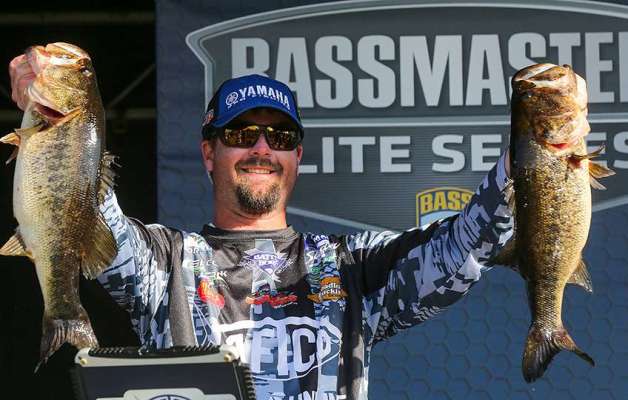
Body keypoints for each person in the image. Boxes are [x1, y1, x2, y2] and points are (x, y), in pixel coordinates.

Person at [9, 56, 514, 400]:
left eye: (281, 135)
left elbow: (462, 249)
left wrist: (533, 157)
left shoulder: (351, 266)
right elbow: (82, 210)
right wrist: (59, 105)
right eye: (241, 132)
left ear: (297, 155)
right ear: (209, 152)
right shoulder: (163, 264)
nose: (262, 148)